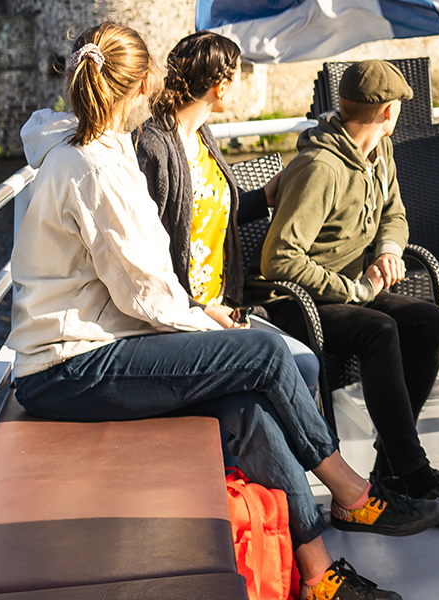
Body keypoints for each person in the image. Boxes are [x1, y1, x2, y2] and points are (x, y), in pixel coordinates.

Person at [9, 22, 425, 600]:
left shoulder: (101, 152)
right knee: (262, 353)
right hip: (70, 366)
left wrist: (209, 328)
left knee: (249, 412)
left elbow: (140, 291)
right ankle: (352, 492)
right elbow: (145, 296)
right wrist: (215, 332)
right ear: (141, 85)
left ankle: (319, 574)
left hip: (94, 347)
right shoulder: (94, 170)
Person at [256, 59, 439, 527]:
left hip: (346, 293)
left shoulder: (380, 154)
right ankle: (413, 472)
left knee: (428, 320)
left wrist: (387, 250)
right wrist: (353, 288)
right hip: (295, 303)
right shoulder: (318, 166)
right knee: (379, 328)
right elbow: (278, 259)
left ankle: (392, 470)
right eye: (398, 106)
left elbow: (395, 215)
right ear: (387, 112)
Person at [133, 29, 319, 390]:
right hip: (183, 316)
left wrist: (263, 197)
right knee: (300, 369)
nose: (239, 87)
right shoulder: (152, 147)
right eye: (237, 77)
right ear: (220, 85)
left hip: (224, 306)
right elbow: (143, 251)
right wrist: (200, 311)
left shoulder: (202, 136)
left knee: (305, 364)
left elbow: (209, 209)